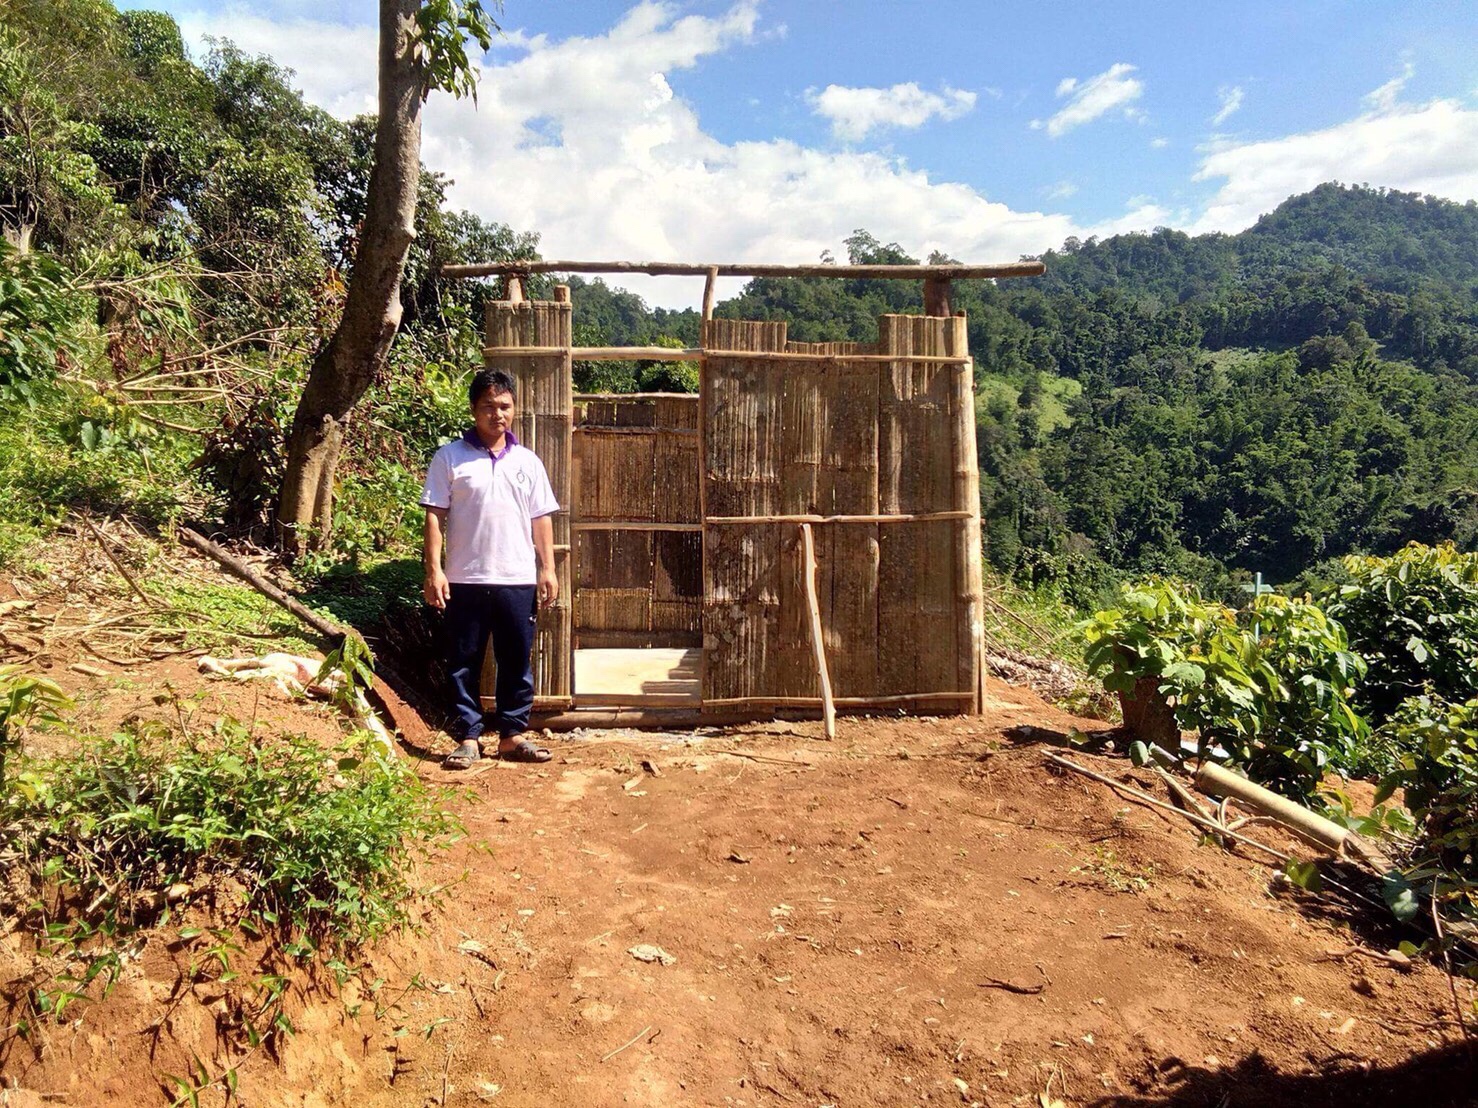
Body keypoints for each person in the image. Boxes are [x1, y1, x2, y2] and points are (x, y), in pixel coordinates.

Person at [420, 368, 559, 768]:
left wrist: (547, 569)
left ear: (514, 409)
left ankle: (512, 735)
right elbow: (434, 516)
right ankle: (468, 737)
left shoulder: (528, 462)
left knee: (515, 659)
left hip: (517, 578)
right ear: (473, 409)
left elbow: (541, 518)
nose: (497, 414)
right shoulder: (449, 457)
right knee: (462, 661)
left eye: (504, 406)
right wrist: (434, 570)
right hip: (465, 579)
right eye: (488, 406)